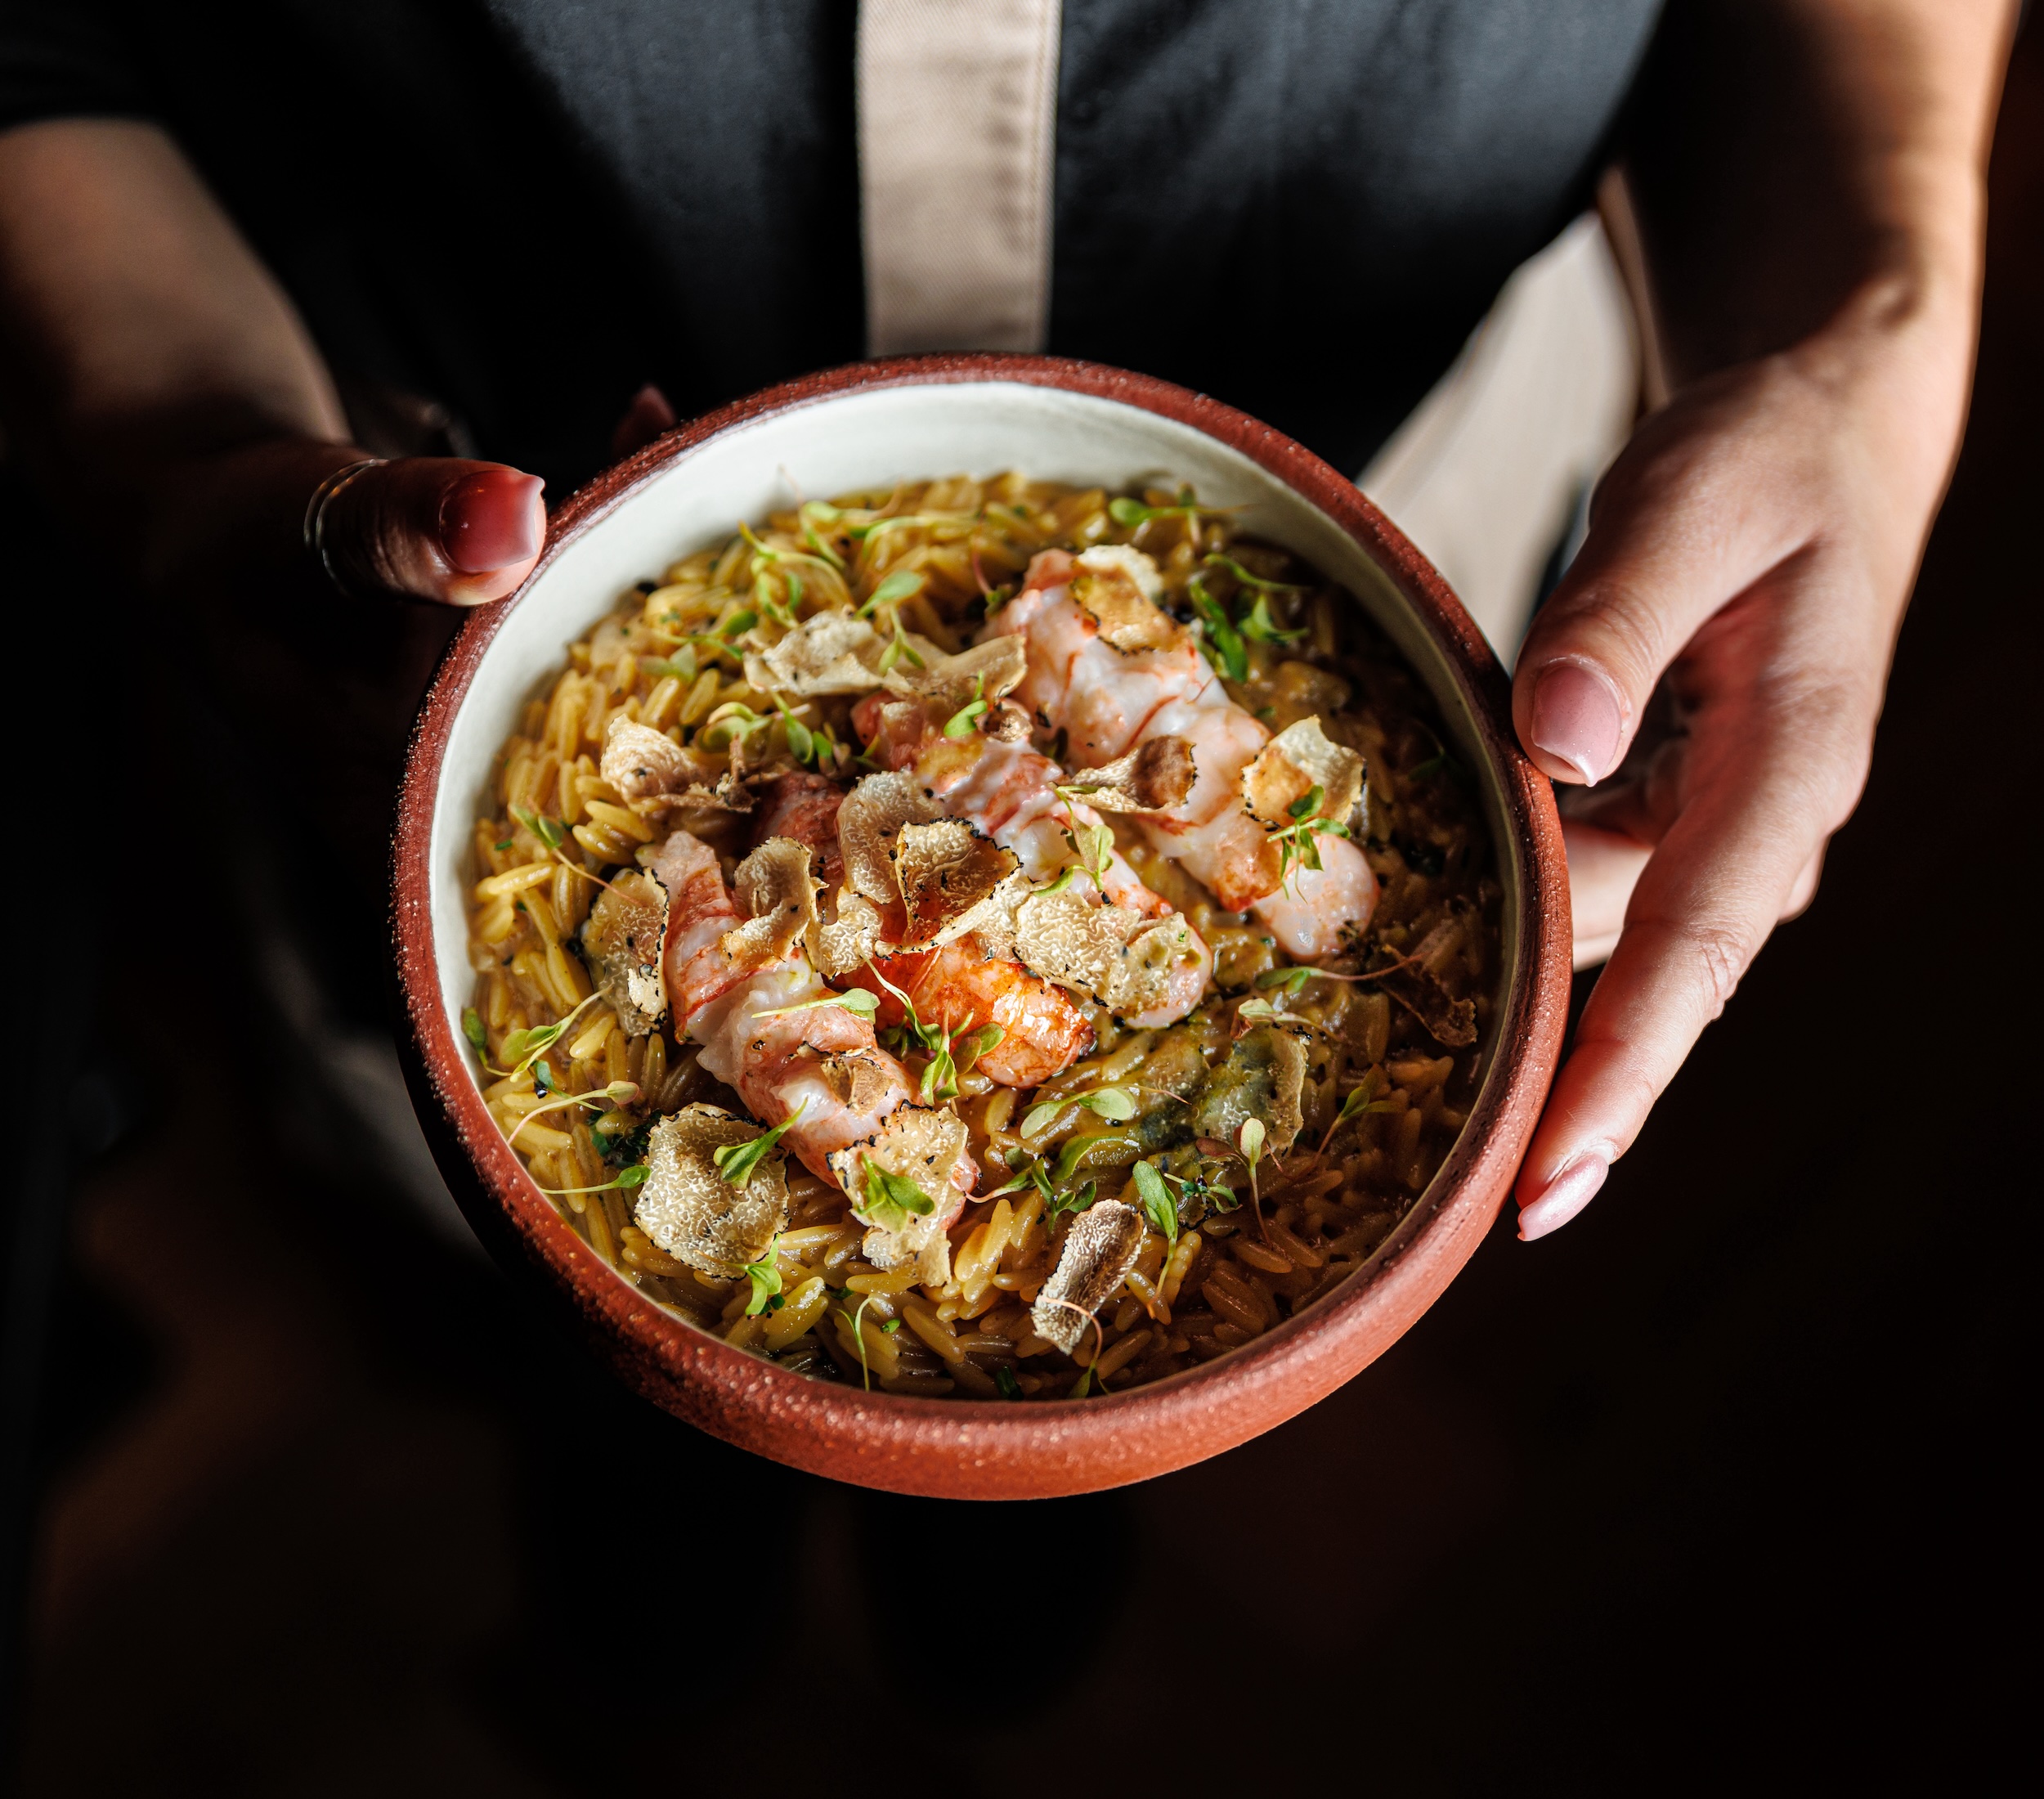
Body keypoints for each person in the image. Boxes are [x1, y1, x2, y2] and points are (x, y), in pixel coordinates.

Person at [0, 1, 2016, 1240]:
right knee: (527, 1339)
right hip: (416, 583)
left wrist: (1871, 297)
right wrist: (162, 408)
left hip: (1438, 507)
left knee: (1058, 1500)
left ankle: (1013, 1596)